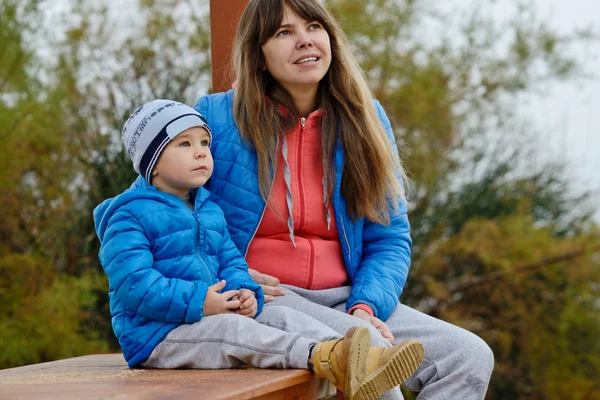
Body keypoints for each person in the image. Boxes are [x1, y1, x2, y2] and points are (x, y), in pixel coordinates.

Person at [192, 0, 495, 399]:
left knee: (467, 355)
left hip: (347, 299)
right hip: (266, 298)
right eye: (284, 33)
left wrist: (365, 307)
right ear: (259, 56)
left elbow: (389, 238)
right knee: (371, 361)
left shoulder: (366, 119)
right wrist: (231, 274)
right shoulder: (216, 118)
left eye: (314, 27)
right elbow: (172, 218)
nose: (304, 40)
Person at [94, 99, 425, 400]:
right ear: (151, 163)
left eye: (205, 143)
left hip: (208, 317)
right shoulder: (127, 216)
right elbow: (134, 284)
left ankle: (367, 359)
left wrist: (245, 291)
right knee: (233, 330)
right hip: (158, 337)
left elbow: (231, 262)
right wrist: (201, 301)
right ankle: (325, 357)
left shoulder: (207, 209)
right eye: (185, 144)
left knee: (280, 314)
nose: (201, 152)